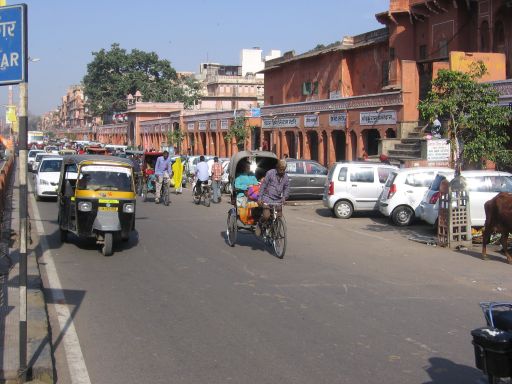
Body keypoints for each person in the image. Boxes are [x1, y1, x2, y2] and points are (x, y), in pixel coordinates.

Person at [257, 159, 290, 232]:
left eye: (283, 170)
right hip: (267, 198)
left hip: (278, 199)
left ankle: (274, 233)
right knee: (266, 216)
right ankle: (260, 224)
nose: (282, 171)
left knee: (279, 216)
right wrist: (259, 198)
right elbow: (263, 186)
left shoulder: (286, 177)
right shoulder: (270, 173)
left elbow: (287, 188)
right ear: (277, 167)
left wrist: (284, 197)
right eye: (280, 169)